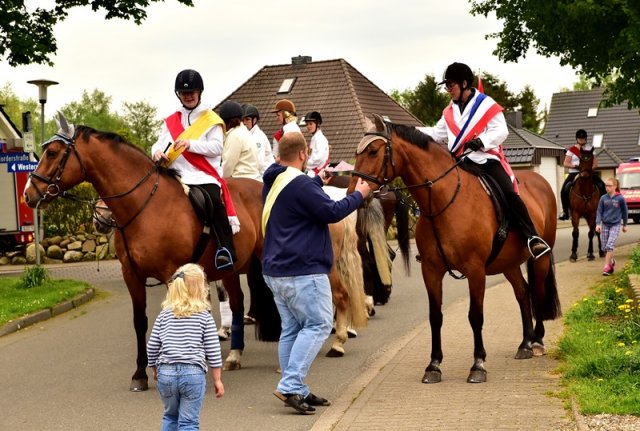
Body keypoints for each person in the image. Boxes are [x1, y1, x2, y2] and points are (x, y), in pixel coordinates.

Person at [261, 131, 371, 415]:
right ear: (302, 154)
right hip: (302, 270)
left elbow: (297, 198)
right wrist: (359, 195)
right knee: (320, 324)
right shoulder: (300, 185)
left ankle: (296, 388)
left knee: (292, 329)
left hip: (276, 270)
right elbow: (333, 212)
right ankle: (290, 385)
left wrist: (315, 182)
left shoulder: (274, 181)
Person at [418, 62, 550, 259]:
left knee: (509, 192)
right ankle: (435, 241)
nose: (448, 90)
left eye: (450, 85)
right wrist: (407, 130)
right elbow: (436, 134)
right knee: (435, 190)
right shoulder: (449, 112)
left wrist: (482, 141)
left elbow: (501, 131)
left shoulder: (486, 104)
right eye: (446, 86)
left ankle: (531, 237)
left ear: (464, 83)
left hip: (486, 160)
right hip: (460, 162)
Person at [151, 69, 236, 270]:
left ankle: (226, 250)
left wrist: (190, 144)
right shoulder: (171, 120)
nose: (188, 96)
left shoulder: (211, 119)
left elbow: (217, 147)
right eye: (183, 93)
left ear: (199, 92)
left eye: (191, 92)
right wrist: (156, 153)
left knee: (215, 202)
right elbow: (159, 143)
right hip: (175, 175)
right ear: (178, 95)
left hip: (202, 176)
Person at [147, 263, 225, 430]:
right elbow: (213, 350)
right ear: (200, 288)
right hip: (193, 374)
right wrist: (217, 379)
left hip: (166, 373)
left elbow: (152, 345)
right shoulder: (204, 316)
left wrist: (154, 368)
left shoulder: (164, 315)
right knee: (188, 422)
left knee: (170, 416)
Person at [558, 129, 606, 220]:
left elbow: (595, 163)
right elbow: (565, 163)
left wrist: (589, 169)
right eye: (580, 139)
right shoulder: (572, 150)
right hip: (574, 172)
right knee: (564, 189)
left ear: (586, 139)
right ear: (577, 139)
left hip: (588, 172)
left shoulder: (590, 149)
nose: (581, 140)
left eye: (583, 139)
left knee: (601, 185)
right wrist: (575, 166)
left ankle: (603, 209)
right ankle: (566, 212)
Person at [219, 100, 261, 181]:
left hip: (241, 179)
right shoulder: (244, 132)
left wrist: (218, 178)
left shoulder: (234, 135)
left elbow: (228, 165)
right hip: (254, 178)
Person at [596, 178, 628, 275]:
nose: (607, 188)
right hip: (605, 225)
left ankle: (606, 267)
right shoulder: (603, 198)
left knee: (610, 245)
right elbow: (599, 211)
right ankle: (611, 261)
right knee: (604, 247)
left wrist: (625, 224)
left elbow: (625, 212)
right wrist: (598, 224)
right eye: (606, 185)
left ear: (615, 186)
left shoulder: (620, 198)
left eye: (609, 185)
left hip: (615, 225)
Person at [242, 104, 275, 177]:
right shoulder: (246, 134)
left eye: (247, 119)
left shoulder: (258, 137)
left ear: (255, 120)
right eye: (242, 120)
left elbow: (258, 163)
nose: (244, 123)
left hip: (264, 176)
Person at [304, 111, 330, 177]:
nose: (308, 126)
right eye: (307, 124)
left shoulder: (320, 139)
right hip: (312, 169)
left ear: (317, 124)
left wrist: (303, 164)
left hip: (317, 172)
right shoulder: (315, 138)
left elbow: (317, 159)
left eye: (310, 124)